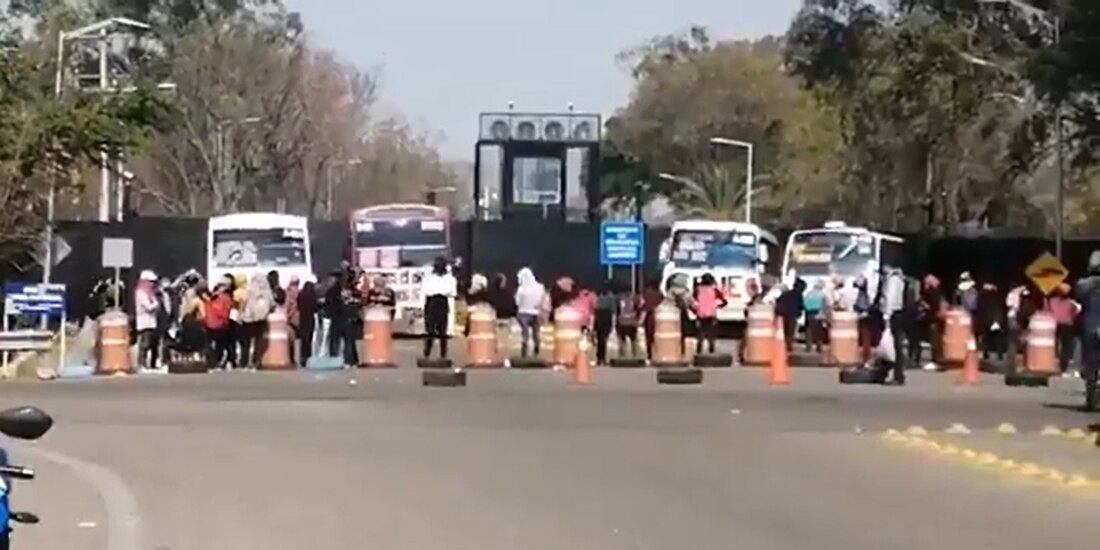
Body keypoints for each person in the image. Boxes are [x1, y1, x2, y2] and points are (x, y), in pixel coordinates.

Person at [1074, 251, 1100, 410]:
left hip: (1091, 327)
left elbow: (1078, 297)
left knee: (1090, 365)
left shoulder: (1084, 285)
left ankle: (1091, 396)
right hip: (1091, 325)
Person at [420, 257, 457, 359]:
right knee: (430, 330)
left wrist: (442, 291)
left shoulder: (450, 279)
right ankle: (427, 353)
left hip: (442, 301)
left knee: (442, 331)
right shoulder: (429, 277)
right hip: (431, 302)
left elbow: (452, 292)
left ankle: (443, 354)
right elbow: (425, 291)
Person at [877, 267, 907, 385]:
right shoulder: (899, 279)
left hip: (894, 314)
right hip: (898, 313)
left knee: (895, 347)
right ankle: (897, 374)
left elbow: (889, 298)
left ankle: (897, 375)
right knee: (897, 346)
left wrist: (886, 315)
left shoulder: (893, 280)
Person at [239, 273, 273, 370]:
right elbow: (272, 305)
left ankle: (244, 363)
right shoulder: (267, 291)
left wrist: (240, 315)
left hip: (248, 319)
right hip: (261, 320)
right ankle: (255, 362)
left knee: (246, 343)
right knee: (258, 342)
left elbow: (243, 302)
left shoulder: (249, 289)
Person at [1047, 283, 1079, 377]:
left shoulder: (1051, 301)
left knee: (1054, 346)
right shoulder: (1071, 303)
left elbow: (1047, 312)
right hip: (1067, 325)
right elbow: (1076, 312)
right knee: (1067, 348)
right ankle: (1063, 368)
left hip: (1054, 324)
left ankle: (1051, 366)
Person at [514, 267, 547, 359]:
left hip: (523, 313)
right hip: (536, 312)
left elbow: (517, 302)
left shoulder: (521, 289)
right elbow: (543, 300)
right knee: (536, 332)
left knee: (525, 333)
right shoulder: (540, 287)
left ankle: (524, 352)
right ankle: (536, 349)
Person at [204, 278, 236, 369]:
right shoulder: (226, 298)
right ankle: (227, 361)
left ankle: (213, 362)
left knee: (215, 345)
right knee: (224, 344)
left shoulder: (212, 298)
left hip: (210, 324)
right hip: (222, 324)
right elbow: (228, 311)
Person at [134, 270, 161, 371]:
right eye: (150, 282)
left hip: (151, 322)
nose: (152, 285)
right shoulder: (140, 293)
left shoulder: (150, 294)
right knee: (144, 344)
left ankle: (149, 364)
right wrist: (156, 304)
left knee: (151, 344)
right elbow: (148, 307)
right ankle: (142, 364)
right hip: (144, 322)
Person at [693, 273, 725, 355]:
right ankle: (711, 349)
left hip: (701, 314)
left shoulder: (698, 289)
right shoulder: (714, 290)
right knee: (711, 333)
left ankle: (699, 350)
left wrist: (696, 309)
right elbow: (724, 301)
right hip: (711, 314)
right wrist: (718, 306)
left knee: (701, 332)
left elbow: (694, 300)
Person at [615, 283, 644, 359]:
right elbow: (639, 308)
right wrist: (638, 319)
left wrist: (616, 321)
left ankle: (622, 356)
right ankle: (635, 355)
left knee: (622, 340)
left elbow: (617, 310)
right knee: (633, 340)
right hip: (632, 322)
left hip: (622, 321)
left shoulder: (619, 298)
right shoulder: (635, 298)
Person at [593, 281, 618, 365]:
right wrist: (614, 323)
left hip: (599, 316)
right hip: (607, 317)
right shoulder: (612, 298)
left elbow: (595, 308)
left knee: (600, 339)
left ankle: (599, 358)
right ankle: (602, 358)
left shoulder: (598, 297)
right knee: (604, 338)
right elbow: (614, 311)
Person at [640, 279, 664, 361]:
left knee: (649, 337)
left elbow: (644, 306)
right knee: (658, 337)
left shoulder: (647, 293)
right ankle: (658, 354)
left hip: (649, 317)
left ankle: (650, 355)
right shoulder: (659, 293)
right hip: (659, 317)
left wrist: (640, 319)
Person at [803, 279, 827, 353]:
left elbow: (805, 304)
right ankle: (819, 347)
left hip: (808, 313)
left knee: (809, 330)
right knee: (819, 331)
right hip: (818, 313)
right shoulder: (822, 294)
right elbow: (824, 306)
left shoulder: (808, 294)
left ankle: (808, 347)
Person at [297, 281, 318, 365]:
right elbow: (315, 307)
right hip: (310, 319)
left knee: (303, 340)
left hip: (302, 319)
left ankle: (302, 357)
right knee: (309, 339)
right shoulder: (312, 296)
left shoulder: (301, 295)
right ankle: (308, 357)